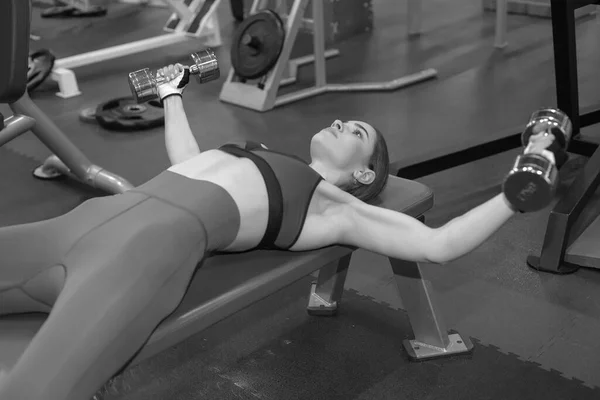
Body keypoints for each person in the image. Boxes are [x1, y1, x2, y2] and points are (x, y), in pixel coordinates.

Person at [0, 64, 555, 400]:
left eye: (355, 130)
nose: (340, 120)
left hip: (142, 256)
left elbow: (440, 245)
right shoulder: (256, 152)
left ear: (363, 172)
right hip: (80, 224)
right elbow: (185, 160)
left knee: (34, 390)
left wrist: (514, 192)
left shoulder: (333, 207)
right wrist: (172, 94)